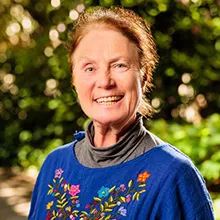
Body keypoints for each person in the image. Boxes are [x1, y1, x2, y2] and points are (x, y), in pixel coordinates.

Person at [29, 7, 214, 220]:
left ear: (143, 78)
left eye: (119, 65)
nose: (105, 82)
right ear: (74, 80)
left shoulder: (173, 175)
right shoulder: (54, 165)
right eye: (89, 68)